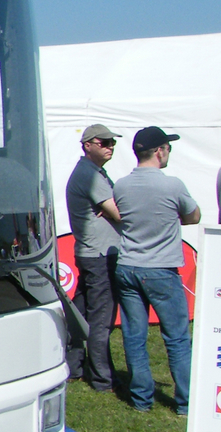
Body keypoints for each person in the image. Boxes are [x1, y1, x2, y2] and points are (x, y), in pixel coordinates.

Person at [112, 126, 201, 415]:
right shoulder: (172, 185)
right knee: (177, 338)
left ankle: (141, 400)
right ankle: (186, 403)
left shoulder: (121, 185)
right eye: (168, 149)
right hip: (161, 268)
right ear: (160, 151)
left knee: (134, 336)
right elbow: (194, 215)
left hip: (128, 266)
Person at [65, 124, 122, 392]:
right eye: (104, 142)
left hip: (90, 252)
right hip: (99, 254)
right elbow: (120, 213)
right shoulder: (90, 175)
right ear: (87, 145)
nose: (110, 147)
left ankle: (74, 366)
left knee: (81, 314)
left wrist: (110, 209)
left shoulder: (91, 172)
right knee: (101, 319)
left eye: (112, 143)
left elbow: (114, 209)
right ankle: (102, 379)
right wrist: (112, 210)